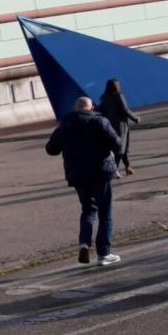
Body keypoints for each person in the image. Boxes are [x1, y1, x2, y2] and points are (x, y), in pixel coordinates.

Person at [46, 97, 123, 266]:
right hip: (100, 172)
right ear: (91, 107)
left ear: (76, 108)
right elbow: (118, 145)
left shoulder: (65, 124)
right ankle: (104, 253)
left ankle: (84, 244)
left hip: (78, 175)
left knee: (88, 209)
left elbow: (51, 149)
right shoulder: (100, 122)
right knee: (105, 212)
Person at [98, 78, 140, 176]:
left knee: (122, 147)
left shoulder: (103, 97)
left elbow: (100, 110)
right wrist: (136, 118)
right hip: (121, 125)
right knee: (121, 148)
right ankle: (113, 169)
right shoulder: (118, 96)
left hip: (109, 124)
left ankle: (127, 167)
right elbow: (125, 109)